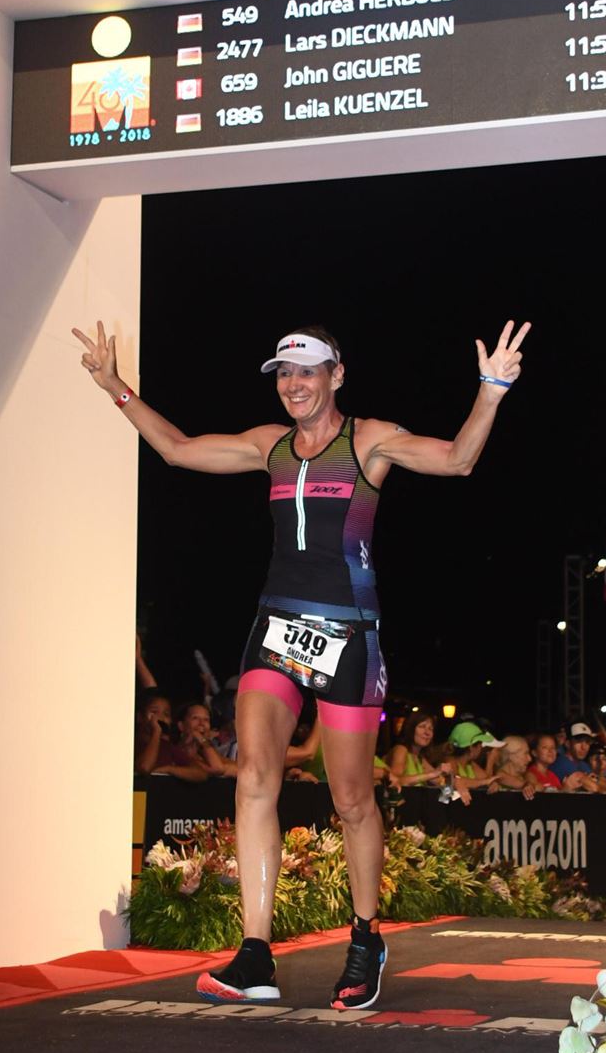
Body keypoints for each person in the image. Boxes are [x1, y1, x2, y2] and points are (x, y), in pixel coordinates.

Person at [73, 314, 529, 1010]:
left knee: (351, 799)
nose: (293, 384)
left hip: (349, 635)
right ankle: (254, 955)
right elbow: (177, 450)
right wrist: (115, 386)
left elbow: (457, 459)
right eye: (284, 373)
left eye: (306, 371)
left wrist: (491, 390)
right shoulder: (271, 445)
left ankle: (365, 939)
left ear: (335, 376)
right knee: (255, 776)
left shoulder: (369, 440)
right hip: (276, 629)